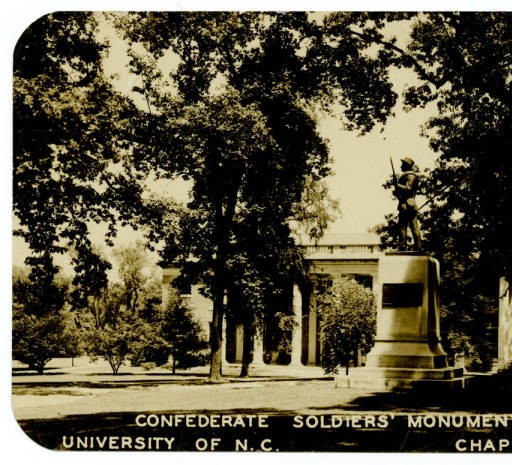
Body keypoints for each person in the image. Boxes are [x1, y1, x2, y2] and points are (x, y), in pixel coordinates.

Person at [394, 157, 422, 251]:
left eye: (403, 164)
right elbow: (400, 192)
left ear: (407, 166)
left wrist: (397, 184)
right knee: (411, 226)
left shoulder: (411, 176)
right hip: (407, 204)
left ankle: (406, 247)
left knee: (405, 226)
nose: (401, 166)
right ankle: (415, 247)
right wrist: (396, 186)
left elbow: (408, 189)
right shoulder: (408, 176)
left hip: (407, 205)